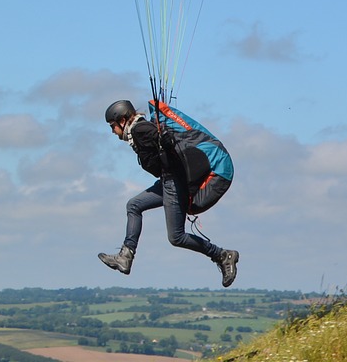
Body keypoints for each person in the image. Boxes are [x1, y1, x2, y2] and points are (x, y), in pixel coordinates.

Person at [97, 97, 240, 287]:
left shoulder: (140, 130)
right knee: (134, 205)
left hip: (173, 182)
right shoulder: (138, 132)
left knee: (176, 237)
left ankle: (222, 255)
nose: (112, 131)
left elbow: (165, 142)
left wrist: (164, 139)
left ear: (122, 120)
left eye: (112, 126)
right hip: (167, 180)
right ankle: (126, 256)